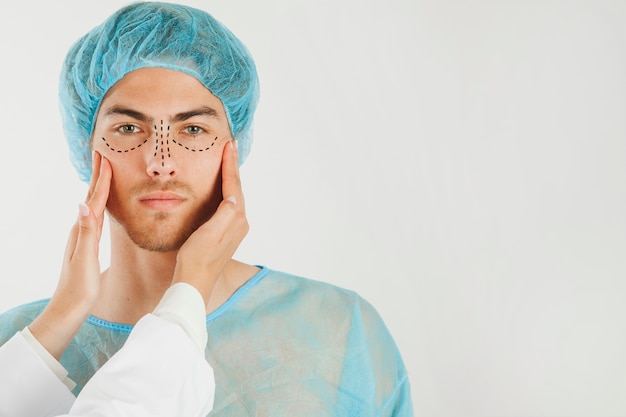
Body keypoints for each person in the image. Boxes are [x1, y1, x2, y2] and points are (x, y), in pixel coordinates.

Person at [0, 2, 413, 416]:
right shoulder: (19, 344)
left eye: (193, 129)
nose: (161, 161)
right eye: (129, 128)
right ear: (85, 144)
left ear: (233, 147)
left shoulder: (339, 331)